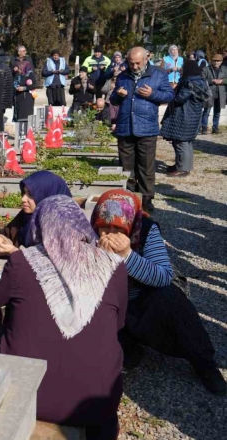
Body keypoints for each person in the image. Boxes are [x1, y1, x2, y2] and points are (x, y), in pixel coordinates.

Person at [0, 195, 128, 440]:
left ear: (39, 227)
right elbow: (118, 325)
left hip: (24, 399)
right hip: (94, 406)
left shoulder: (21, 262)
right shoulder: (114, 267)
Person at [91, 190, 226, 395]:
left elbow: (162, 276)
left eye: (118, 229)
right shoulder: (89, 235)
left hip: (148, 296)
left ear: (129, 225)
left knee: (170, 297)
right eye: (104, 228)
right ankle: (131, 352)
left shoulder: (145, 230)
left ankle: (205, 363)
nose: (109, 234)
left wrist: (126, 255)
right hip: (117, 303)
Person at [109, 46, 174, 213]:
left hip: (147, 128)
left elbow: (169, 96)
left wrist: (152, 94)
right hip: (125, 127)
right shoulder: (123, 75)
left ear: (147, 58)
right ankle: (129, 197)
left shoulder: (158, 74)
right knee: (126, 167)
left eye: (137, 63)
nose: (134, 66)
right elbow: (113, 99)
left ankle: (146, 199)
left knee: (146, 167)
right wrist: (118, 95)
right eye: (131, 63)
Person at [0, 171, 71, 257]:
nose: (23, 198)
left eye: (30, 194)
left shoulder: (64, 226)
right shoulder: (27, 216)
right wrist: (0, 239)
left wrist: (15, 252)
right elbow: (9, 234)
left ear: (47, 196)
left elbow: (54, 263)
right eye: (24, 192)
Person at [160, 60, 209, 177]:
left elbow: (180, 98)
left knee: (181, 142)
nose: (181, 69)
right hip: (192, 115)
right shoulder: (200, 80)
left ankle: (182, 169)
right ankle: (182, 165)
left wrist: (171, 93)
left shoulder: (189, 82)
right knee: (186, 142)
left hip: (184, 115)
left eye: (183, 67)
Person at [202, 54, 227, 135]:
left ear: (221, 61)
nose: (216, 62)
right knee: (206, 111)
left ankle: (215, 127)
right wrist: (211, 81)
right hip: (209, 93)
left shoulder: (225, 69)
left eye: (218, 61)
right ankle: (204, 127)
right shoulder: (206, 69)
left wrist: (222, 81)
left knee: (217, 112)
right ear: (212, 61)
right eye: (214, 61)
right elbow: (202, 80)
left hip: (220, 93)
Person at [12, 57, 36, 122]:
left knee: (26, 117)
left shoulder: (30, 74)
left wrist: (24, 88)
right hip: (18, 98)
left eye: (19, 67)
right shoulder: (18, 74)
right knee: (19, 117)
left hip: (27, 98)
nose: (18, 69)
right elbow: (15, 83)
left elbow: (34, 85)